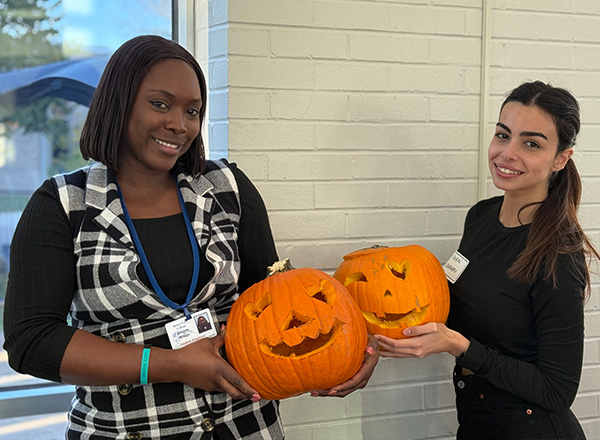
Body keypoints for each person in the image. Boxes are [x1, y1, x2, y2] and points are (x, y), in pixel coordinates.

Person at [3, 35, 378, 439]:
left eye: (193, 111)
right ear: (119, 101)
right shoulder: (62, 204)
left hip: (245, 426)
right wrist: (169, 363)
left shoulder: (227, 188)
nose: (179, 125)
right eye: (160, 104)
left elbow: (276, 300)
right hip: (126, 428)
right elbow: (31, 341)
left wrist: (347, 353)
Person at [375, 81, 598, 439]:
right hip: (478, 424)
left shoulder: (558, 254)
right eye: (502, 135)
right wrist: (374, 342)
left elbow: (557, 391)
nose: (507, 153)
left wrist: (459, 346)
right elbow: (443, 306)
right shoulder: (480, 217)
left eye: (531, 143)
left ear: (561, 158)